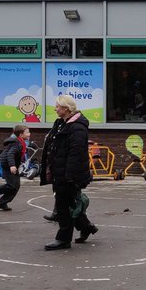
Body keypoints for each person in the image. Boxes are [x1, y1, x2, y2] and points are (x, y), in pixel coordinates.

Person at [38, 94, 96, 249]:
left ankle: (63, 239)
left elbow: (76, 154)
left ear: (66, 108)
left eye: (57, 106)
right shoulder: (61, 124)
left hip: (68, 175)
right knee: (70, 204)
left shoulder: (77, 127)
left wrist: (69, 177)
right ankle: (86, 227)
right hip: (59, 172)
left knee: (63, 207)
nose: (55, 109)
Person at [0, 124, 31, 211]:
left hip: (11, 165)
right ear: (20, 134)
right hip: (6, 165)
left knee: (16, 185)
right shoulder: (17, 143)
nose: (29, 134)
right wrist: (12, 166)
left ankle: (2, 203)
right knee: (12, 185)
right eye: (27, 132)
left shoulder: (21, 142)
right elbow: (10, 154)